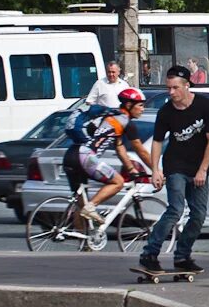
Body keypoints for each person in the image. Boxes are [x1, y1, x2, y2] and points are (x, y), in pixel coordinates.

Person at [139, 65, 209, 273]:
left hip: (199, 167)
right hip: (175, 165)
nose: (171, 93)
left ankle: (182, 256)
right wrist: (155, 170)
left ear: (187, 86)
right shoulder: (166, 111)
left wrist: (202, 170)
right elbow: (157, 142)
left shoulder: (206, 106)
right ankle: (149, 254)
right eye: (169, 88)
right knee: (175, 209)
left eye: (175, 88)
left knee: (198, 215)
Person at [62, 88, 152, 223]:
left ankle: (83, 240)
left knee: (80, 203)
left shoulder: (110, 117)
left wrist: (131, 169)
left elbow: (119, 146)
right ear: (129, 105)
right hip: (85, 156)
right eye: (140, 105)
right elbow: (141, 151)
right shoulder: (126, 122)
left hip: (71, 154)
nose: (142, 109)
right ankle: (91, 206)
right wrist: (156, 170)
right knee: (118, 182)